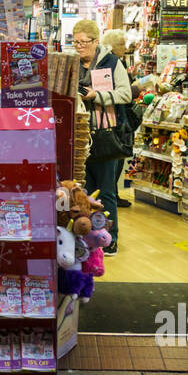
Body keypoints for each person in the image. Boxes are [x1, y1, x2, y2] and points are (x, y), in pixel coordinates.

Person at [73, 20, 134, 254]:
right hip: (78, 135)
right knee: (82, 189)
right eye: (75, 42)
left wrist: (96, 95)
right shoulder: (73, 63)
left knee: (106, 190)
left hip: (104, 134)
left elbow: (125, 94)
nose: (79, 47)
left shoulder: (112, 62)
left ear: (96, 41)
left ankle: (109, 238)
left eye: (83, 42)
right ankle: (87, 237)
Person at [101, 29, 135, 207]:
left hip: (116, 118)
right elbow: (121, 94)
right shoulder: (112, 64)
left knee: (116, 160)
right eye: (121, 44)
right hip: (115, 119)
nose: (124, 47)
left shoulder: (112, 63)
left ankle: (113, 193)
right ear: (112, 46)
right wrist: (135, 90)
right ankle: (112, 195)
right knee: (114, 159)